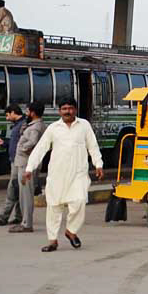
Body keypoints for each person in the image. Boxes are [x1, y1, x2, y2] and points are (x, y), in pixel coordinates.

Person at [23, 98, 102, 252]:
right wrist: (29, 167)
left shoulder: (84, 125)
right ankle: (52, 241)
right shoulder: (53, 128)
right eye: (64, 108)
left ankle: (71, 231)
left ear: (75, 110)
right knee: (54, 207)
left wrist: (98, 164)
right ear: (60, 111)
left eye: (70, 108)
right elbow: (40, 148)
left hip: (78, 173)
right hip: (57, 175)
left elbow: (93, 146)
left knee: (79, 202)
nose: (67, 111)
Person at [8, 103, 45, 233]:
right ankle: (25, 221)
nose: (26, 113)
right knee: (24, 194)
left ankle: (27, 223)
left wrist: (22, 148)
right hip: (24, 163)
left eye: (28, 111)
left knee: (26, 194)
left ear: (33, 113)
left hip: (26, 164)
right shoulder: (33, 125)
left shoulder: (35, 127)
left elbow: (33, 142)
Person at [0, 105, 26, 227]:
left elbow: (23, 144)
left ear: (13, 112)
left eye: (7, 115)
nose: (7, 118)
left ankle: (3, 218)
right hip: (15, 161)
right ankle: (18, 216)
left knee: (12, 190)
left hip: (19, 162)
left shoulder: (23, 125)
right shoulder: (18, 125)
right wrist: (4, 143)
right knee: (17, 190)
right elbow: (15, 143)